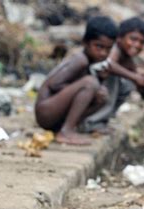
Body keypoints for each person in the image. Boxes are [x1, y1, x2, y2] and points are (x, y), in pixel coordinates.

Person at [35, 16, 118, 145]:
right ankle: (65, 131)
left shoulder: (91, 61)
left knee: (102, 95)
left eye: (108, 49)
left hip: (54, 115)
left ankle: (66, 128)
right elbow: (54, 84)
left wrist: (100, 81)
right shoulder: (80, 60)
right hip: (45, 111)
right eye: (99, 47)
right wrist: (87, 86)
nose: (103, 53)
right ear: (86, 42)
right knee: (90, 83)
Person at [79, 17, 144, 132]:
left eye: (141, 42)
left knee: (127, 85)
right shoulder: (113, 49)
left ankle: (102, 119)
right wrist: (135, 77)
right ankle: (91, 122)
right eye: (133, 39)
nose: (136, 45)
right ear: (119, 38)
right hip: (82, 92)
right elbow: (109, 64)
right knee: (113, 77)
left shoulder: (128, 59)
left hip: (93, 98)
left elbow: (143, 94)